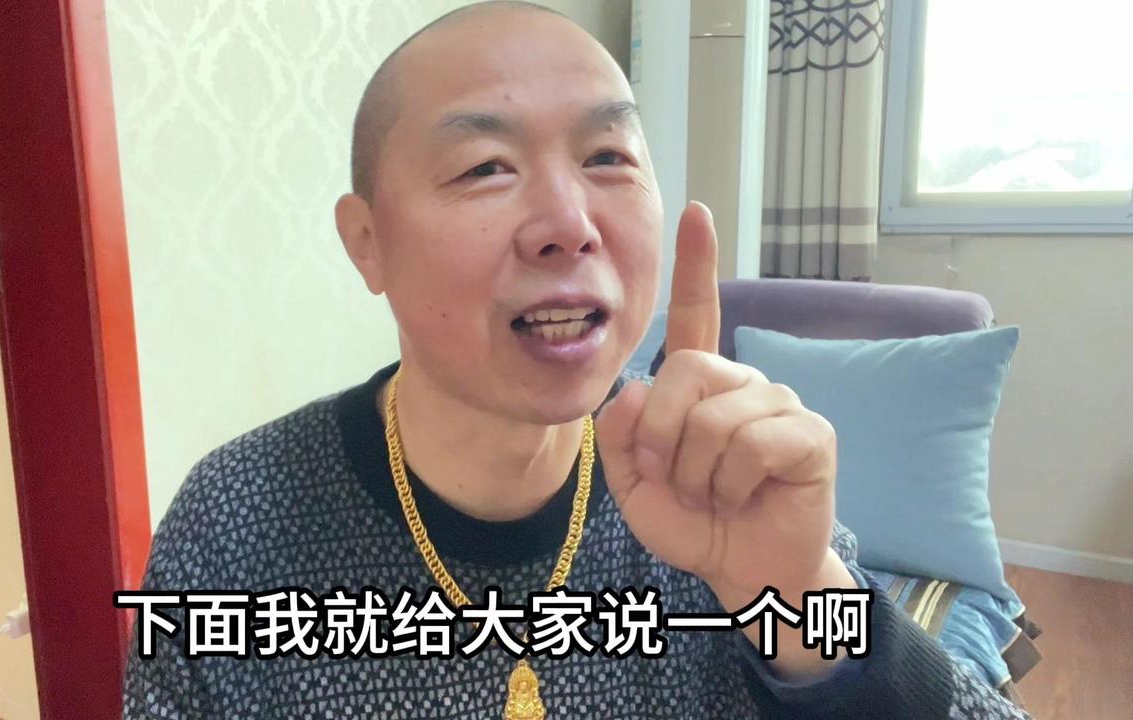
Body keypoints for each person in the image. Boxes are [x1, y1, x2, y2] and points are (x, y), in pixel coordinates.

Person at [122, 2, 1031, 718]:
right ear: (368, 243)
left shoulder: (717, 482)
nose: (569, 222)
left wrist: (799, 598)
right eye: (485, 167)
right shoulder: (235, 520)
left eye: (607, 156)